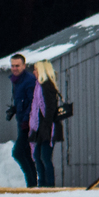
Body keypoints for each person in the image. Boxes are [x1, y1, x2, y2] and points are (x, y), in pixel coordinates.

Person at [28, 60, 64, 188]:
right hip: (40, 127)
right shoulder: (39, 86)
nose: (34, 72)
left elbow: (50, 108)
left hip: (47, 127)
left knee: (45, 157)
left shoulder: (47, 86)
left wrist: (46, 126)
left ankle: (49, 184)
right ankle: (42, 183)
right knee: (38, 156)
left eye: (36, 70)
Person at [6, 54, 38, 187]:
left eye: (17, 65)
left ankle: (31, 183)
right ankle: (32, 184)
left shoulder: (29, 80)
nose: (14, 68)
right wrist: (14, 109)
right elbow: (21, 101)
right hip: (22, 121)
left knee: (18, 152)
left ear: (24, 66)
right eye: (12, 65)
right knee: (26, 153)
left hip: (28, 123)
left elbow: (32, 102)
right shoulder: (16, 80)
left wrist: (26, 120)